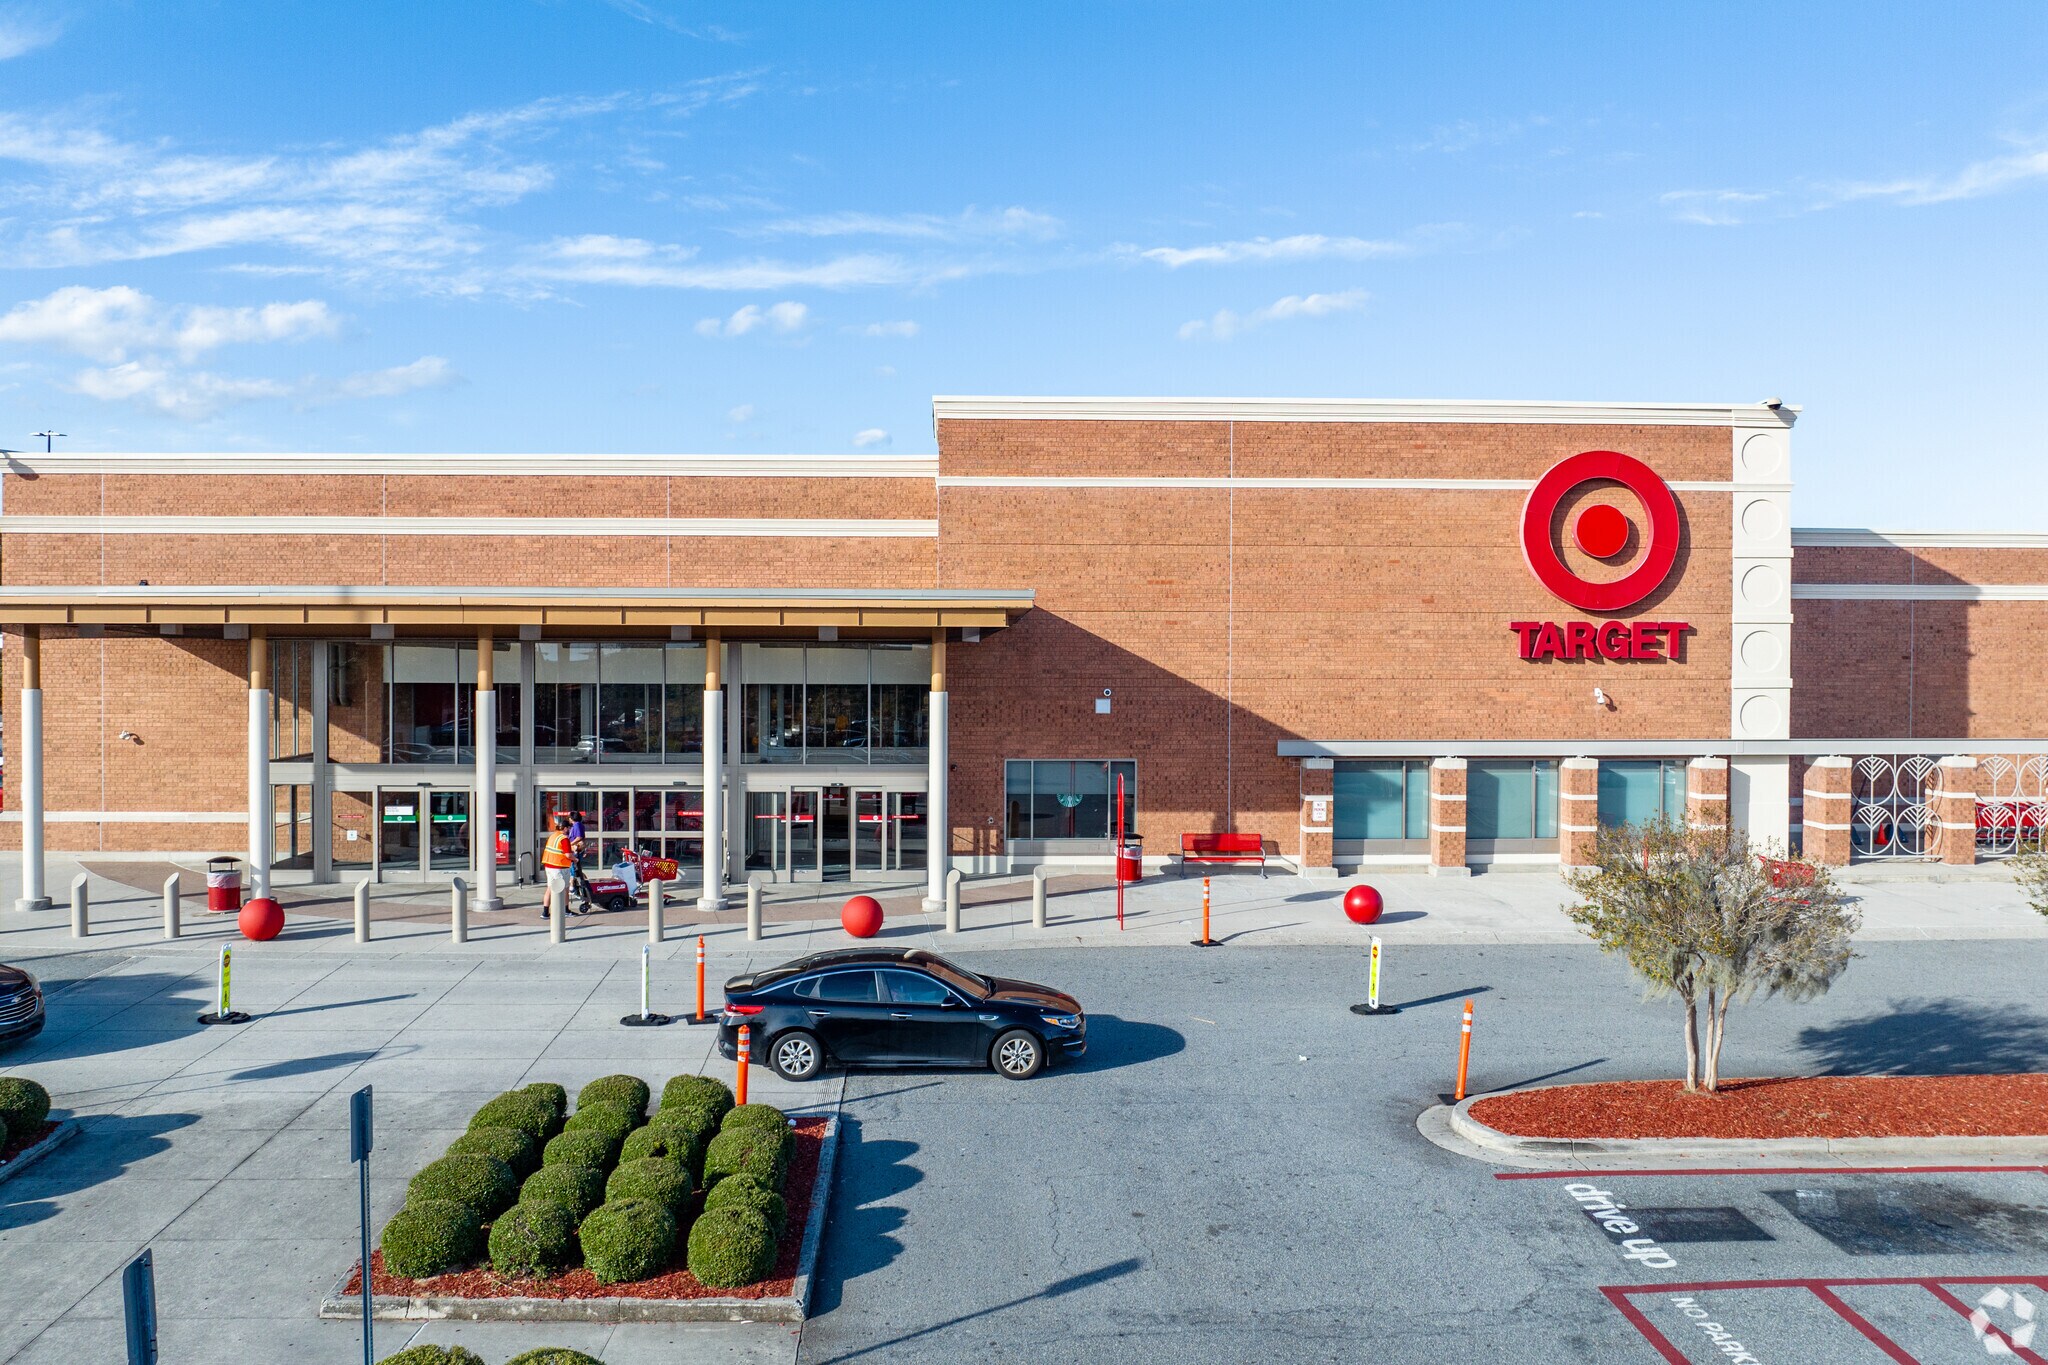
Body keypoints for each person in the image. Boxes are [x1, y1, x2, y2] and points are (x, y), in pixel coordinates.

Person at [540, 812, 577, 920]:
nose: (569, 830)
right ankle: (565, 910)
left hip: (549, 866)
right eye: (569, 828)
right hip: (559, 867)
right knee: (564, 889)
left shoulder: (553, 836)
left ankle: (545, 912)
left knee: (550, 888)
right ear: (565, 828)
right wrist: (575, 859)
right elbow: (568, 855)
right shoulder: (564, 838)